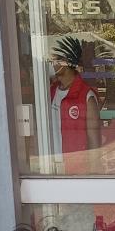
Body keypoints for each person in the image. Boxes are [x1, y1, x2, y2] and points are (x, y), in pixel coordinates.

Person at [48, 35, 101, 174]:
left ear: (66, 62)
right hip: (51, 170)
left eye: (54, 60)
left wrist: (95, 175)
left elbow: (94, 142)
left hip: (76, 172)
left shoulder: (86, 96)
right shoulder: (50, 92)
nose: (51, 64)